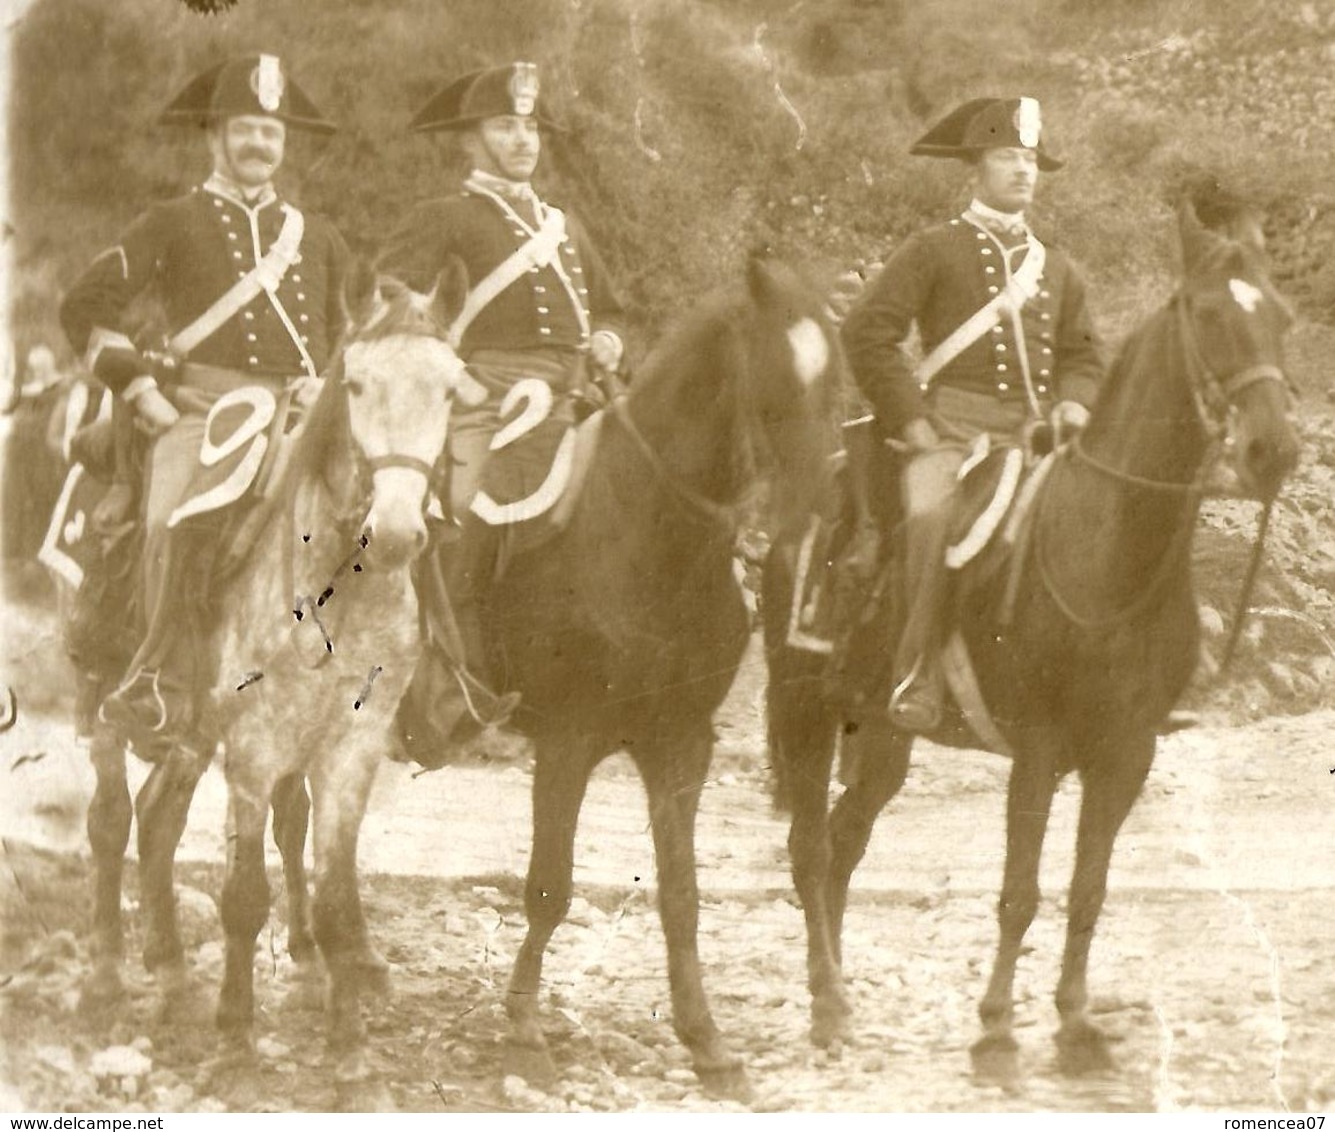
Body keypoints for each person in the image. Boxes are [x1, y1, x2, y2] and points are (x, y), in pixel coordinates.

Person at [59, 54, 349, 759]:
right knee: (168, 519)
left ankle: (393, 680)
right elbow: (83, 307)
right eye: (245, 129)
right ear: (213, 136)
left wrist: (328, 385)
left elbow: (347, 332)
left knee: (381, 513)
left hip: (297, 419)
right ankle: (157, 681)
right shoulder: (171, 221)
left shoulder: (318, 237)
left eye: (271, 133)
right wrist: (141, 389)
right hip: (200, 411)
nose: (259, 145)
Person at [377, 60, 627, 758]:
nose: (521, 140)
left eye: (528, 127)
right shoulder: (445, 217)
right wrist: (449, 373)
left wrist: (607, 338)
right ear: (470, 139)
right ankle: (439, 691)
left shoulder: (562, 225)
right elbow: (393, 299)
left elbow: (606, 305)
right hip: (483, 396)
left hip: (575, 395)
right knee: (462, 520)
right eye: (503, 127)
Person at [841, 96, 1105, 733]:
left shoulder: (1059, 268)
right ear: (977, 170)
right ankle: (915, 674)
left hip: (1037, 437)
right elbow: (868, 333)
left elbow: (1085, 354)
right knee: (931, 517)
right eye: (1007, 157)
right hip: (952, 434)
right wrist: (912, 423)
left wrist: (1073, 401)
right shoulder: (934, 249)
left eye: (1029, 159)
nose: (1022, 171)